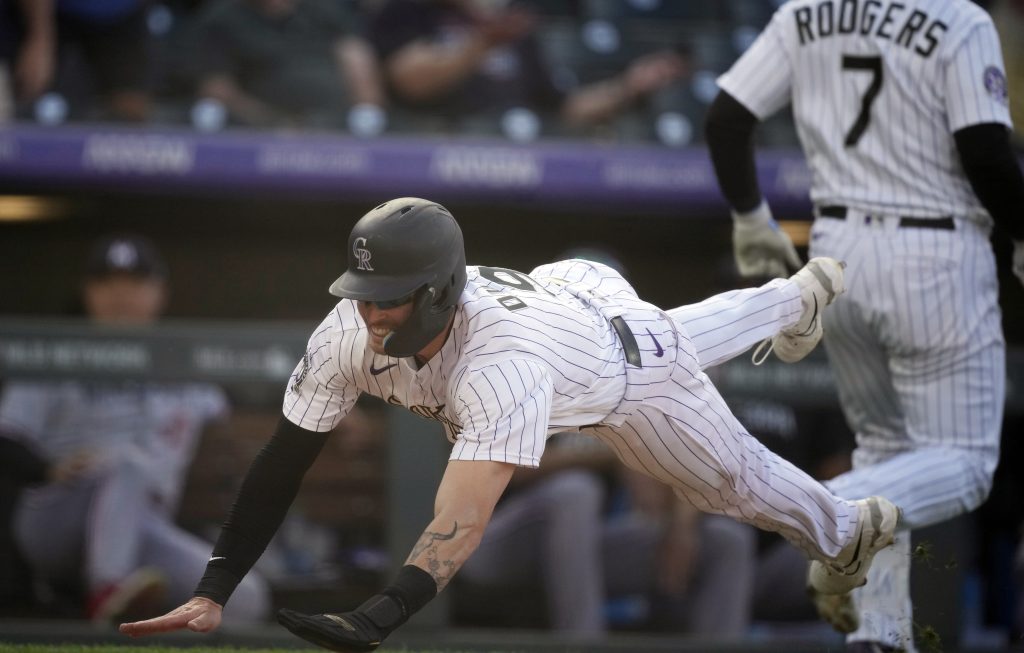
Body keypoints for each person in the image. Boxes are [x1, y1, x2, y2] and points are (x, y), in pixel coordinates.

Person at [119, 197, 898, 651]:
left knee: (735, 484)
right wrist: (216, 587)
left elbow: (458, 522)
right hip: (573, 291)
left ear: (434, 293)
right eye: (362, 287)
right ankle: (795, 299)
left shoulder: (502, 366)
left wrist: (371, 620)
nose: (366, 308)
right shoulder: (348, 330)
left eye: (386, 293)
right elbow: (285, 457)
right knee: (673, 325)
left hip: (626, 375)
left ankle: (845, 530)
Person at [703, 1, 1024, 650]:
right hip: (934, 250)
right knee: (966, 464)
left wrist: (750, 217)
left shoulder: (806, 9)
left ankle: (879, 634)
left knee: (885, 445)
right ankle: (836, 511)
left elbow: (727, 117)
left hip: (837, 253)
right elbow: (986, 151)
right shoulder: (959, 18)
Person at [0, 233, 270, 624]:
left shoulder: (184, 370)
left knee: (244, 600)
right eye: (107, 282)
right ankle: (105, 592)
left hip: (140, 528)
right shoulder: (57, 354)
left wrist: (338, 411)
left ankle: (129, 610)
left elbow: (241, 418)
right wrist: (47, 469)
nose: (121, 295)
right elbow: (6, 435)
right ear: (87, 292)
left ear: (160, 292)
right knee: (127, 463)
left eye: (135, 283)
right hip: (59, 517)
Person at [455, 432, 755, 638]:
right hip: (491, 543)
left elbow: (661, 490)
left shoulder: (619, 386)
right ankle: (583, 643)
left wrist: (681, 523)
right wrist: (608, 455)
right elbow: (502, 464)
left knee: (725, 541)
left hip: (578, 551)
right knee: (576, 491)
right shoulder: (529, 366)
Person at [367, 0, 687, 135]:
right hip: (435, 144)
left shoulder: (510, 25)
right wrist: (480, 44)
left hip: (518, 145)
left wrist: (628, 86)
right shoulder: (410, 10)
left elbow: (564, 108)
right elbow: (410, 80)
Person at [191, 0, 385, 130]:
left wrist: (365, 108)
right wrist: (272, 123)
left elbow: (357, 57)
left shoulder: (324, 9)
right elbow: (216, 87)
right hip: (253, 124)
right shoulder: (223, 15)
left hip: (332, 122)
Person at [0, 0, 154, 122]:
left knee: (130, 108)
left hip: (122, 15)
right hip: (54, 14)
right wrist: (39, 37)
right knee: (33, 94)